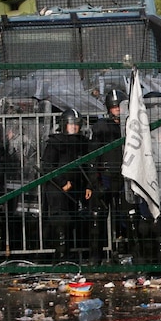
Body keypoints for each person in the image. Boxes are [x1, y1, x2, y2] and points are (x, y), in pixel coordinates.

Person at [41, 109, 94, 261]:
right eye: (71, 124)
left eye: (77, 124)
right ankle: (62, 256)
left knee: (74, 220)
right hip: (58, 189)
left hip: (77, 188)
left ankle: (72, 254)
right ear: (64, 125)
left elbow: (89, 166)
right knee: (61, 221)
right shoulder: (55, 142)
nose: (74, 127)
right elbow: (47, 166)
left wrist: (89, 185)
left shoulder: (83, 143)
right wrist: (62, 182)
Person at [89, 90, 127, 262]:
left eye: (119, 106)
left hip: (126, 175)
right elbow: (93, 155)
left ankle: (130, 252)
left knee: (129, 215)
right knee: (98, 216)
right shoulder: (101, 127)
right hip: (105, 174)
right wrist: (94, 181)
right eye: (113, 107)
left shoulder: (131, 125)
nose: (117, 110)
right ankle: (95, 256)